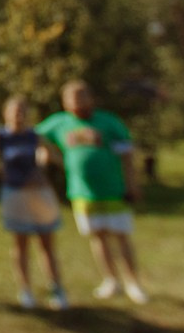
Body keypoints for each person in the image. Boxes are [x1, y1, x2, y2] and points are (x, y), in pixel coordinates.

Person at [39, 79, 147, 304]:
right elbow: (33, 136)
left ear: (91, 98)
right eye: (72, 98)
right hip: (82, 193)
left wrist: (132, 183)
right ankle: (111, 280)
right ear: (65, 103)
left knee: (121, 236)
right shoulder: (59, 123)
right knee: (98, 237)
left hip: (113, 189)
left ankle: (132, 283)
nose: (77, 102)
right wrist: (50, 155)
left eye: (81, 96)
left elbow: (127, 154)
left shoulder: (108, 122)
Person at [0, 96, 69, 310]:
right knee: (21, 244)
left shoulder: (34, 136)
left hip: (40, 194)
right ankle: (26, 290)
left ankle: (56, 288)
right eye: (15, 111)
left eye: (23, 111)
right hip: (15, 194)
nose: (19, 115)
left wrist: (44, 164)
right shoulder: (0, 135)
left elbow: (51, 155)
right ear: (6, 114)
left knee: (46, 243)